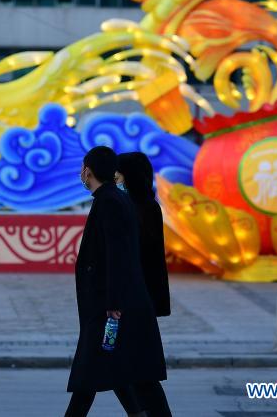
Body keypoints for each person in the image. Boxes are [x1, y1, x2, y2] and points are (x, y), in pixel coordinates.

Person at [65, 146, 170, 417]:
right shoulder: (111, 199)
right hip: (112, 308)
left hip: (110, 311)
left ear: (88, 170)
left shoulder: (110, 202)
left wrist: (113, 304)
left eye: (82, 169)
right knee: (117, 369)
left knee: (98, 372)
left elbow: (117, 255)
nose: (81, 174)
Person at [116, 152, 171, 318]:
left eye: (117, 178)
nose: (114, 183)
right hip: (139, 291)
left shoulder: (137, 207)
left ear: (131, 177)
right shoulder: (143, 205)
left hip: (135, 290)